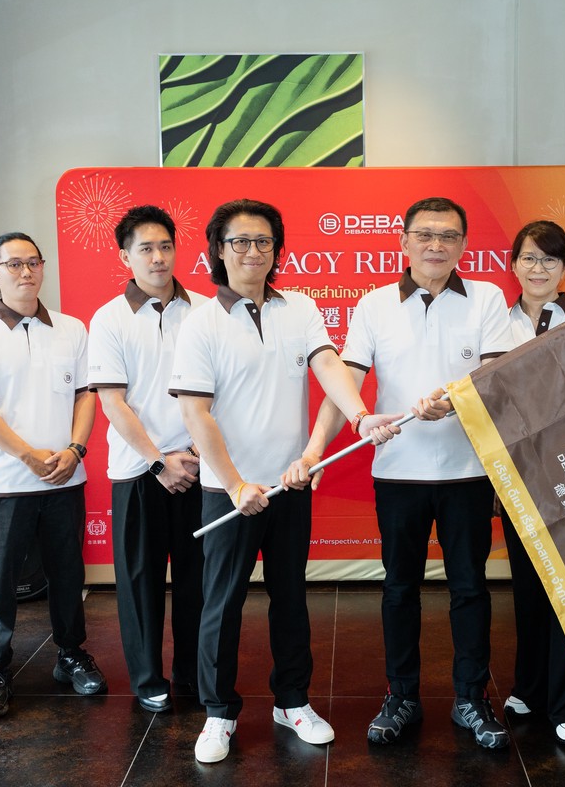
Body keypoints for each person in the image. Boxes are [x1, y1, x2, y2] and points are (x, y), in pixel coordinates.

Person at [170, 198, 399, 764]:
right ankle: (219, 712)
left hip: (290, 486)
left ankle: (292, 700)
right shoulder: (201, 322)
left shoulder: (299, 307)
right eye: (240, 241)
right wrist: (235, 483)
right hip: (230, 492)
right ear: (218, 250)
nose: (253, 251)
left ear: (276, 250)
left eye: (264, 241)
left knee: (291, 598)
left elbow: (328, 367)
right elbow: (197, 414)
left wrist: (360, 417)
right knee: (221, 603)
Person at [310, 197, 514, 749]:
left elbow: (495, 376)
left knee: (470, 588)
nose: (436, 245)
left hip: (468, 472)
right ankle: (401, 695)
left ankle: (471, 698)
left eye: (448, 236)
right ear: (403, 242)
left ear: (463, 245)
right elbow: (345, 379)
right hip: (398, 471)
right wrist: (329, 439)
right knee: (399, 588)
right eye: (424, 235)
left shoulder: (487, 299)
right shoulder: (375, 304)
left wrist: (454, 401)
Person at [0, 232, 106, 720]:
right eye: (13, 264)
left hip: (64, 478)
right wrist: (27, 455)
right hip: (4, 482)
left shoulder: (71, 329)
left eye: (33, 262)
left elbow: (86, 394)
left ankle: (71, 654)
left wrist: (75, 450)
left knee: (67, 573)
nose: (25, 272)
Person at [88, 206, 206, 713]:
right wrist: (159, 462)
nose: (158, 258)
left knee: (198, 580)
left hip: (199, 468)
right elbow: (113, 402)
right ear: (125, 256)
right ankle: (147, 678)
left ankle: (192, 671)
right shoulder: (109, 318)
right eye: (146, 249)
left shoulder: (206, 311)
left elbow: (221, 393)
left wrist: (194, 455)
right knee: (140, 582)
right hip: (138, 471)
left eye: (165, 246)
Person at [496, 220, 565, 745]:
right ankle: (530, 686)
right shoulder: (496, 320)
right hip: (516, 474)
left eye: (549, 259)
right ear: (513, 263)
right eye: (529, 258)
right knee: (530, 587)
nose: (538, 269)